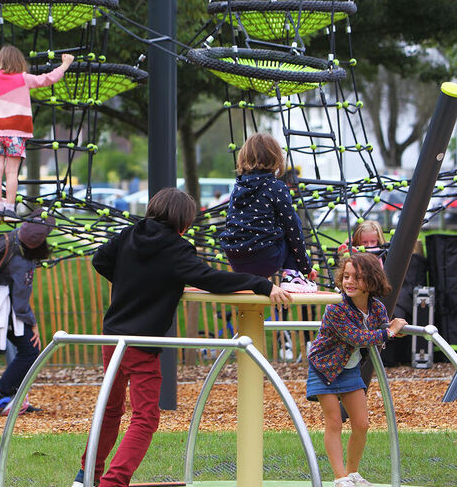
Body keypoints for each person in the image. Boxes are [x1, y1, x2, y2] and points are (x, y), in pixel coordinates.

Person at [71, 188, 292, 487]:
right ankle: (113, 481)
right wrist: (260, 284)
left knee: (110, 410)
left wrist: (132, 282)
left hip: (112, 338)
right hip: (142, 343)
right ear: (184, 222)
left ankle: (87, 476)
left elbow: (100, 260)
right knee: (145, 417)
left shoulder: (130, 233)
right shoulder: (177, 249)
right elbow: (211, 278)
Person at [307, 253, 406, 487]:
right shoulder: (335, 307)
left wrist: (395, 328)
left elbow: (382, 329)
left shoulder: (377, 308)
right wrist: (389, 332)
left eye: (357, 278)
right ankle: (340, 477)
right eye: (346, 276)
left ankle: (352, 473)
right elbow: (359, 337)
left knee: (361, 424)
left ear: (371, 282)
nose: (349, 282)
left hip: (349, 369)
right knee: (334, 422)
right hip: (325, 367)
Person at [0, 46, 71, 218]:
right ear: (19, 62)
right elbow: (47, 79)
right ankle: (10, 207)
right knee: (11, 172)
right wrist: (64, 65)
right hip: (16, 133)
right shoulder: (24, 79)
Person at [219, 133, 317, 281]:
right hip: (266, 259)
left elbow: (231, 221)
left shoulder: (238, 188)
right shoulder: (276, 187)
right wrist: (305, 266)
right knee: (290, 220)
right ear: (276, 159)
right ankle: (293, 275)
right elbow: (293, 229)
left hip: (237, 261)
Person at [0, 211, 56, 415]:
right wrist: (32, 323)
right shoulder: (22, 262)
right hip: (6, 309)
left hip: (2, 304)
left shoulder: (15, 239)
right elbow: (20, 300)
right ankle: (2, 395)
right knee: (30, 351)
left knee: (28, 352)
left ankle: (15, 396)